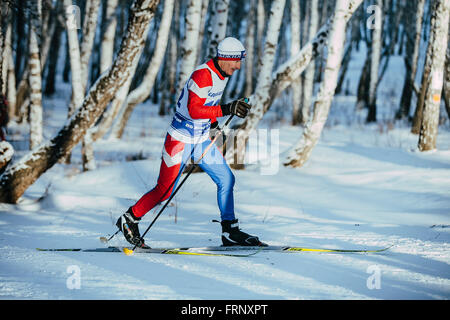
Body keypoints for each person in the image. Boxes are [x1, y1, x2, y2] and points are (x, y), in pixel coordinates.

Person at [116, 37, 266, 248]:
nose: (238, 66)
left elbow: (209, 102)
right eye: (235, 61)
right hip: (179, 140)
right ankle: (130, 218)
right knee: (165, 190)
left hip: (201, 140)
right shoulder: (202, 75)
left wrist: (214, 125)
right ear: (224, 58)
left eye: (239, 61)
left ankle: (229, 231)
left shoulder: (222, 74)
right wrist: (227, 109)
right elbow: (194, 109)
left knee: (226, 179)